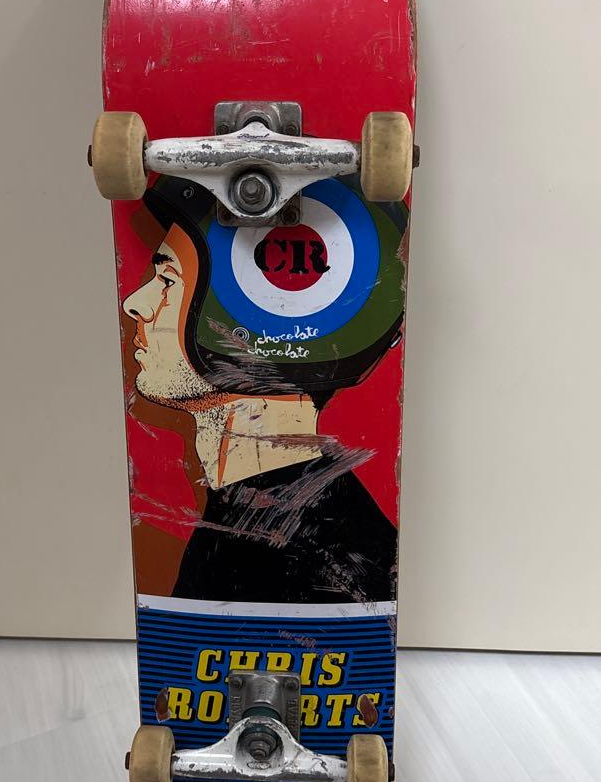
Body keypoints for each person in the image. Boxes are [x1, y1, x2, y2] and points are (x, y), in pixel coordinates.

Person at [122, 175, 407, 605]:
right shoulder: (257, 519)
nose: (135, 303)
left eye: (167, 280)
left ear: (253, 326)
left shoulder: (304, 558)